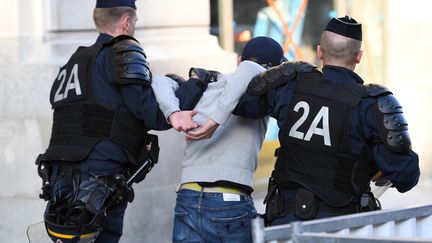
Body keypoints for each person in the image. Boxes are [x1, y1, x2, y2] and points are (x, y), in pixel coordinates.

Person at [189, 16, 420, 225]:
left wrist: (208, 78)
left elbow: (243, 102)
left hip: (284, 223)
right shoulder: (372, 105)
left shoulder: (290, 87)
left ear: (320, 51)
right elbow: (406, 176)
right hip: (340, 227)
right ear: (358, 56)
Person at [35, 1, 208, 242]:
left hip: (60, 181)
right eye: (135, 22)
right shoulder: (123, 51)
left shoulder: (74, 61)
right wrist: (195, 83)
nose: (134, 27)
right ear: (126, 20)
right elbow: (155, 115)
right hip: (98, 180)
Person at [151, 36, 285, 242]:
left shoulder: (206, 86)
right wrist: (213, 121)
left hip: (188, 196)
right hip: (230, 201)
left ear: (238, 60)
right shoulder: (261, 94)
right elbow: (251, 69)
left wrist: (173, 113)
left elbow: (160, 82)